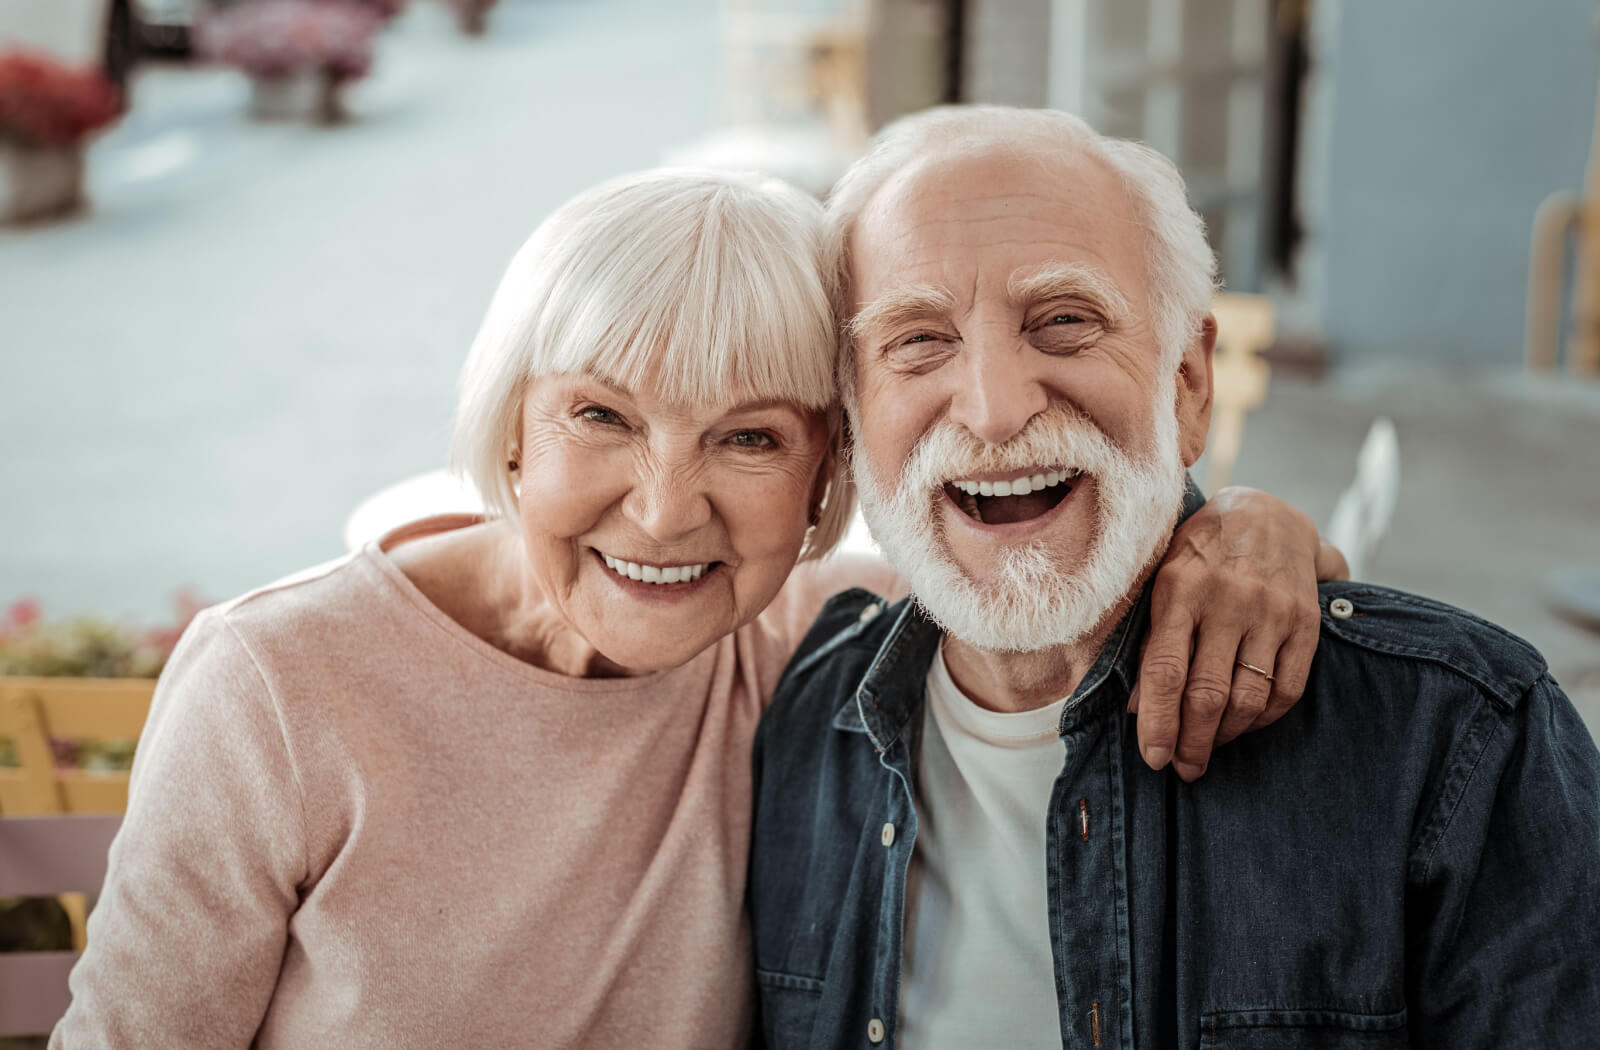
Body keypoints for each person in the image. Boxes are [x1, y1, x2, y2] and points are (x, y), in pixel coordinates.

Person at [54, 169, 1339, 1049]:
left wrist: (1245, 526)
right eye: (600, 417)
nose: (666, 513)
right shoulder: (279, 686)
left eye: (747, 439)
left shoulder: (812, 643)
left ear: (830, 477)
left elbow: (1072, 559)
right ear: (511, 431)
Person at [747, 106, 1600, 1049]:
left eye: (1064, 322)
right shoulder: (792, 719)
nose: (993, 409)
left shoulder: (1456, 741)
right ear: (855, 412)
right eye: (918, 339)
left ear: (1189, 382)